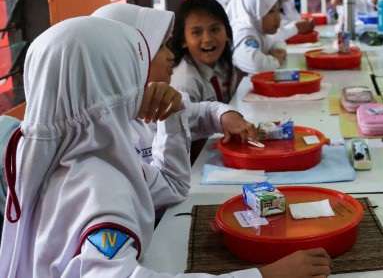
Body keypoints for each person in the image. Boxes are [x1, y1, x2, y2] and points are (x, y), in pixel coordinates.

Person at [0, 16, 332, 277]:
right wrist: (264, 275)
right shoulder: (98, 184)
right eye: (135, 68)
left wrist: (172, 115)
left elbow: (171, 187)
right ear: (114, 81)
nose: (170, 56)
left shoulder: (68, 158)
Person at [95, 3, 257, 169]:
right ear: (127, 57)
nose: (171, 55)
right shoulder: (105, 137)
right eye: (160, 47)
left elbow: (203, 112)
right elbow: (166, 181)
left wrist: (225, 115)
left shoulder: (151, 100)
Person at [171, 0, 241, 104]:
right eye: (196, 32)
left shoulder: (223, 65)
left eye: (214, 29)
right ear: (183, 40)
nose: (207, 39)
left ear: (227, 33)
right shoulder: (184, 84)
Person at [227, 0, 287, 74]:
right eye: (270, 11)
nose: (278, 18)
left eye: (278, 10)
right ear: (254, 11)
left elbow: (277, 39)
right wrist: (276, 60)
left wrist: (278, 49)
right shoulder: (244, 33)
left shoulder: (259, 30)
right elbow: (255, 64)